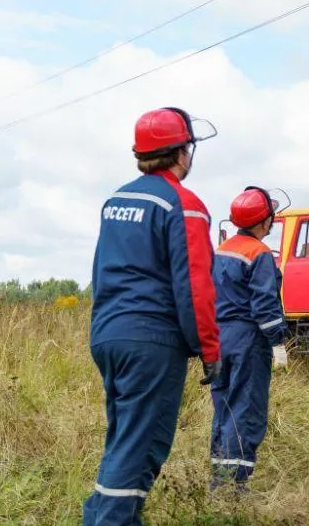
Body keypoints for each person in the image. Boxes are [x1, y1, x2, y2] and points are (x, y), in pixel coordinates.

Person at [83, 107, 221, 526]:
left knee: (124, 437)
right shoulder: (184, 205)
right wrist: (209, 349)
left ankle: (106, 516)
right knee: (142, 443)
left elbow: (100, 269)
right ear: (182, 152)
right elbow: (194, 286)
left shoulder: (116, 201)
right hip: (151, 340)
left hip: (109, 334)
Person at [208, 186, 290, 492]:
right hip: (247, 339)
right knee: (246, 408)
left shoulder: (221, 251)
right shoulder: (260, 254)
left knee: (224, 406)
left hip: (218, 337)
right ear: (263, 221)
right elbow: (265, 304)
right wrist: (277, 341)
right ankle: (234, 486)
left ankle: (219, 477)